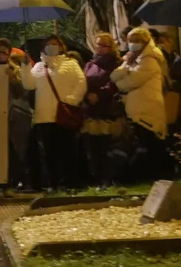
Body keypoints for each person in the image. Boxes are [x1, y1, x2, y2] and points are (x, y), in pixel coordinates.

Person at [22, 35, 87, 191]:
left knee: (68, 150)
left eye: (55, 44)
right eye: (48, 44)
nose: (52, 47)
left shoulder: (70, 64)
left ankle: (70, 183)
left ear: (61, 47)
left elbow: (81, 83)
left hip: (64, 113)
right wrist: (25, 66)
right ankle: (54, 184)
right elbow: (29, 84)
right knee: (50, 153)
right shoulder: (38, 66)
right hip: (45, 117)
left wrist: (71, 100)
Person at [110, 27, 169, 182]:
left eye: (137, 41)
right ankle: (146, 175)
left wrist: (120, 83)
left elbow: (131, 82)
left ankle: (154, 175)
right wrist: (126, 67)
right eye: (131, 41)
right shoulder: (132, 58)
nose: (133, 44)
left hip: (147, 106)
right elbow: (114, 75)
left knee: (149, 142)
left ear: (146, 42)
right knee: (143, 142)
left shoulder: (149, 59)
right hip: (137, 106)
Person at [82, 33, 123, 187]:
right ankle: (97, 177)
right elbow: (83, 81)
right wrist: (87, 94)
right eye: (98, 44)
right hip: (91, 109)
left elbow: (115, 83)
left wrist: (99, 94)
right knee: (93, 146)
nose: (100, 48)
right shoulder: (90, 64)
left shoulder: (116, 64)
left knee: (107, 145)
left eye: (104, 45)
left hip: (107, 108)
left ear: (111, 47)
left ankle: (108, 177)